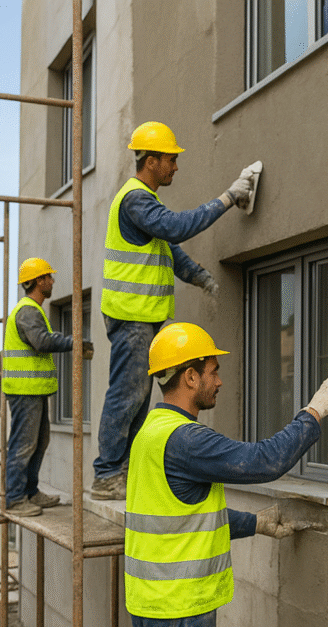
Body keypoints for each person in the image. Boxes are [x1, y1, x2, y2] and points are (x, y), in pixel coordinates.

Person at [124, 322, 328, 627]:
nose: (220, 381)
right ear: (191, 377)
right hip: (181, 610)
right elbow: (265, 460)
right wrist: (315, 412)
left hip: (149, 605)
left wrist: (255, 523)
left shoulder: (150, 433)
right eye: (214, 372)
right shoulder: (186, 440)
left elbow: (181, 518)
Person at [92, 121, 258, 500]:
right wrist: (229, 197)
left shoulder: (145, 202)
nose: (176, 167)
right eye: (170, 159)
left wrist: (201, 277)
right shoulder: (135, 199)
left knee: (138, 398)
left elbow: (170, 250)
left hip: (142, 316)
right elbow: (177, 228)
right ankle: (106, 475)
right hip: (131, 314)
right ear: (151, 161)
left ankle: (125, 471)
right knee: (127, 395)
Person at [2, 258, 93, 517]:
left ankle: (30, 492)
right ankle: (16, 498)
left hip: (33, 389)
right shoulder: (28, 310)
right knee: (24, 444)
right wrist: (74, 342)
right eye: (48, 277)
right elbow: (41, 341)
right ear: (39, 281)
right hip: (25, 390)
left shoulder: (33, 309)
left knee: (39, 441)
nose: (52, 281)